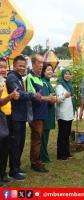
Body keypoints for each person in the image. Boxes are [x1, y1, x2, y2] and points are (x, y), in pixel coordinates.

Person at [6, 55, 39, 180]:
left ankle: (17, 167)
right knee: (15, 144)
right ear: (14, 66)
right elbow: (18, 94)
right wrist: (32, 94)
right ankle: (13, 171)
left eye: (24, 66)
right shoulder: (12, 77)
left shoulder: (18, 77)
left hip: (21, 117)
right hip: (15, 117)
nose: (22, 68)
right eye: (20, 66)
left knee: (20, 144)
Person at [26, 54, 56, 172]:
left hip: (42, 113)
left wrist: (49, 98)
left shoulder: (39, 78)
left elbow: (41, 96)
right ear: (33, 63)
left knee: (38, 138)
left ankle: (36, 160)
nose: (42, 65)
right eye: (40, 63)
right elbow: (32, 96)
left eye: (43, 63)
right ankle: (35, 163)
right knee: (36, 138)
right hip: (35, 113)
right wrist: (48, 98)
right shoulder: (30, 77)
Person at [0, 58, 20, 186]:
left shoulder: (4, 81)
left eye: (3, 67)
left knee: (5, 149)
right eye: (0, 67)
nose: (2, 69)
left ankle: (3, 174)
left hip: (7, 117)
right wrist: (10, 96)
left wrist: (13, 95)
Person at [56, 68, 75, 161]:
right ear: (62, 75)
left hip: (69, 114)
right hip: (62, 114)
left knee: (67, 134)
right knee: (62, 135)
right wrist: (64, 96)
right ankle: (61, 154)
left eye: (69, 74)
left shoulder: (69, 85)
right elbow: (58, 100)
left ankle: (67, 153)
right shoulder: (60, 86)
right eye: (65, 74)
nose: (67, 75)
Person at [40, 64, 56, 163]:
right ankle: (43, 157)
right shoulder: (43, 83)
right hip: (45, 113)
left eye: (51, 70)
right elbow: (47, 98)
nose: (50, 72)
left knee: (45, 135)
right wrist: (52, 98)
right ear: (43, 71)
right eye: (48, 70)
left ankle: (43, 155)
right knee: (43, 136)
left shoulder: (48, 82)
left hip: (49, 112)